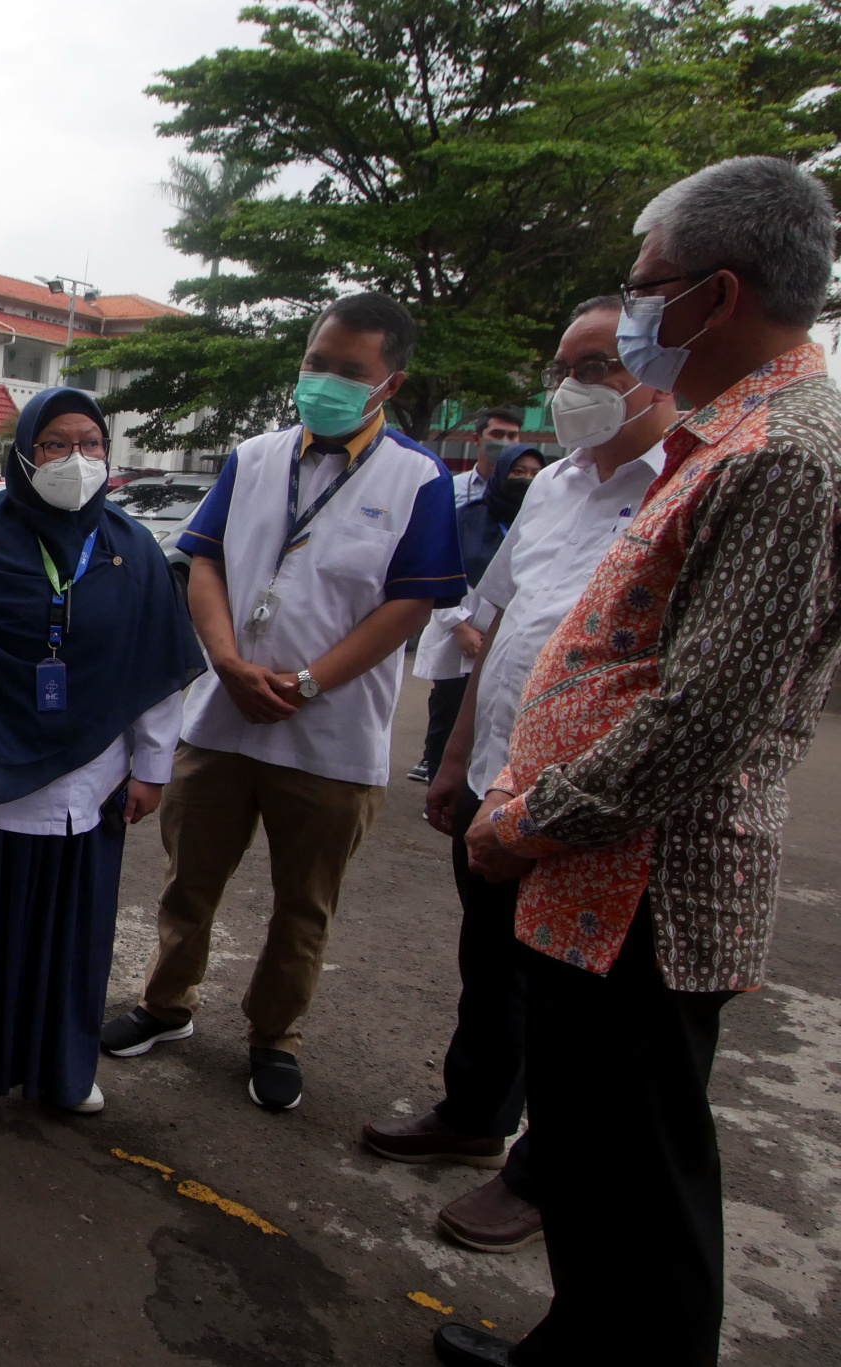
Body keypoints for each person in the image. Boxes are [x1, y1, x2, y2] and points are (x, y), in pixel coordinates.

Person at [441, 158, 841, 1367]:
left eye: (643, 286)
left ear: (715, 295)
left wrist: (527, 821)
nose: (630, 312)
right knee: (591, 1155)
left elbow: (703, 716)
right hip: (597, 878)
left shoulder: (782, 453)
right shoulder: (724, 439)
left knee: (639, 1171)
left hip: (643, 888)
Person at [100, 292, 467, 1111]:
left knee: (304, 905)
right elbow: (205, 561)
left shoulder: (417, 477)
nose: (324, 381)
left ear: (389, 383)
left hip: (332, 735)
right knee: (189, 881)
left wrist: (308, 682)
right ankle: (166, 1004)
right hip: (222, 719)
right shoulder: (256, 457)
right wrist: (227, 662)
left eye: (349, 370)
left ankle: (275, 1036)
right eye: (315, 362)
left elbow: (411, 604)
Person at [365, 295, 676, 1259]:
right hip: (495, 774)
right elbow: (495, 627)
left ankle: (546, 1173)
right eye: (562, 369)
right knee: (490, 961)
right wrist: (457, 761)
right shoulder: (551, 487)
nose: (572, 388)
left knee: (574, 1003)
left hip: (588, 799)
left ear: (658, 369)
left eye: (597, 367)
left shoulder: (685, 485)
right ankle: (472, 1115)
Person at [0, 387, 202, 1120]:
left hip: (91, 781)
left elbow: (155, 668)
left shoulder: (133, 547)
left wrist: (152, 769)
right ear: (24, 454)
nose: (77, 459)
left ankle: (65, 1075)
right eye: (56, 444)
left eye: (91, 443)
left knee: (72, 941)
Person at [408, 446, 544, 783]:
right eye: (518, 471)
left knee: (497, 719)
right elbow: (437, 574)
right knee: (449, 715)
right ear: (501, 474)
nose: (526, 479)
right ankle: (438, 782)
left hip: (509, 639)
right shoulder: (465, 518)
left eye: (534, 473)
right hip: (458, 637)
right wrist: (461, 628)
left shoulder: (543, 523)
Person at [453, 409, 525, 508]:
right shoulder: (453, 487)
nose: (504, 442)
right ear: (476, 439)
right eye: (497, 434)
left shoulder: (525, 487)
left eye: (512, 436)